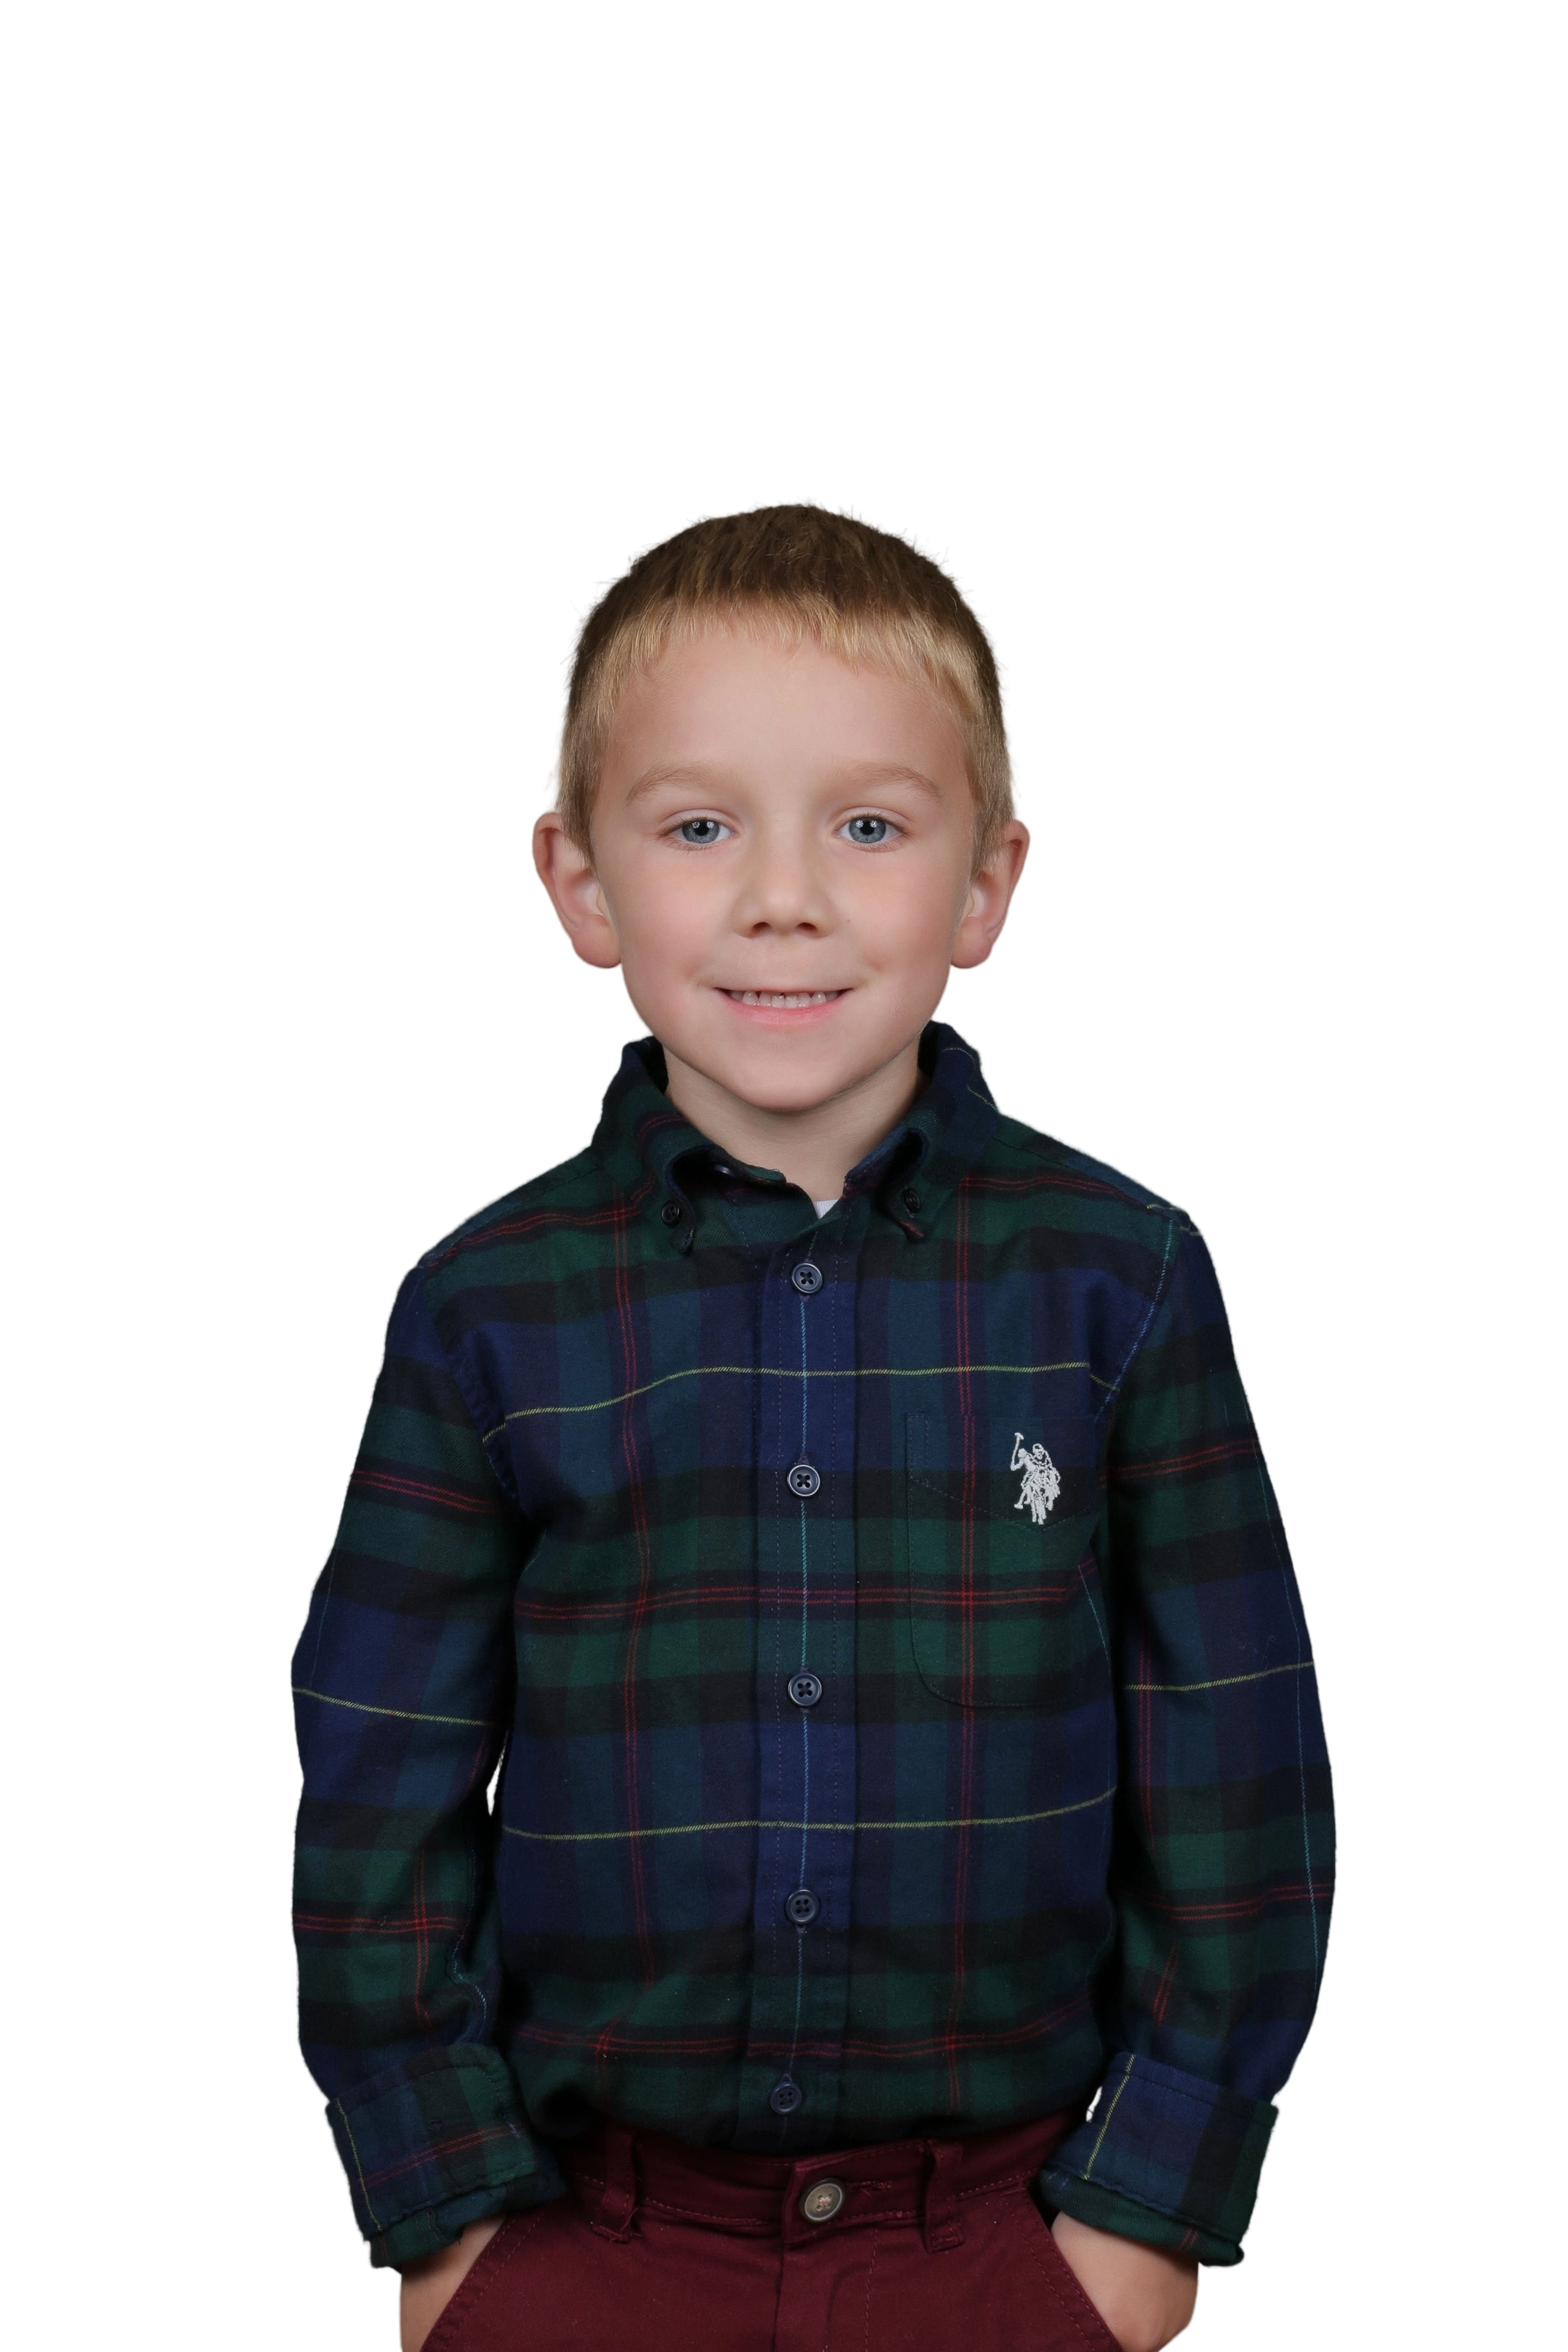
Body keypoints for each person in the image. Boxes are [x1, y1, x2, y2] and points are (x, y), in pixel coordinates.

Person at [288, 493, 1337, 2352]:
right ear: (582, 882)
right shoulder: (483, 1306)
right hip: (584, 2243)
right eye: (700, 827)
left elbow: (1237, 1771)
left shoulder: (1124, 1278)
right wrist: (449, 2224)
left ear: (987, 883)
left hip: (1008, 2238)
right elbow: (381, 1786)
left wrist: (1145, 2224)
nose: (786, 896)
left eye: (869, 825)